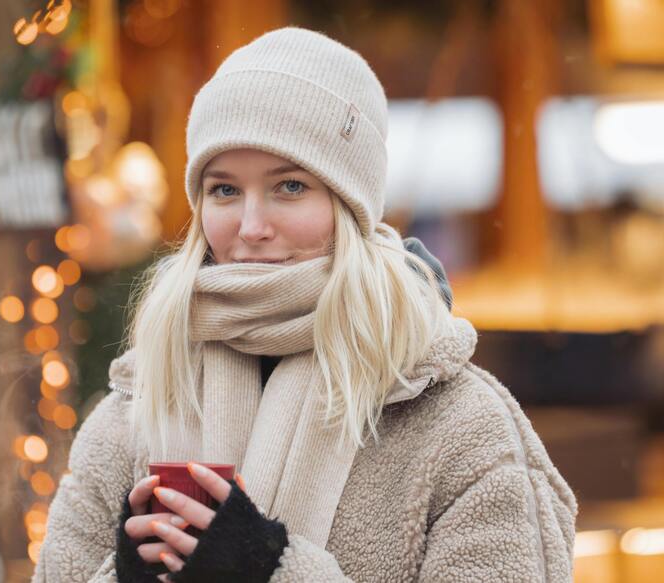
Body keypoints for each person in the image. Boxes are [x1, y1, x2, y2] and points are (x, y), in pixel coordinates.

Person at [33, 27, 576, 583]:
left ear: (351, 204)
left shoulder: (460, 426)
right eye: (224, 190)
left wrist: (270, 571)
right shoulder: (134, 413)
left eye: (289, 186)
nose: (251, 227)